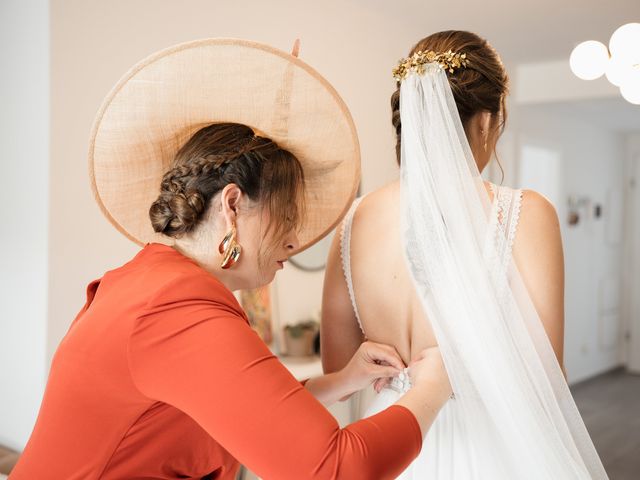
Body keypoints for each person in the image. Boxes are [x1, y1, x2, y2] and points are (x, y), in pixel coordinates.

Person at [9, 39, 453, 480]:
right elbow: (337, 468)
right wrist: (433, 386)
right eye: (287, 217)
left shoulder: (149, 284)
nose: (296, 240)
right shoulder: (175, 310)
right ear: (233, 205)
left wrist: (341, 380)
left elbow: (229, 409)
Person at [321, 31, 609, 478]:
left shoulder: (354, 222)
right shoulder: (527, 214)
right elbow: (547, 385)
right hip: (490, 445)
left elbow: (338, 372)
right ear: (487, 121)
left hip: (387, 441)